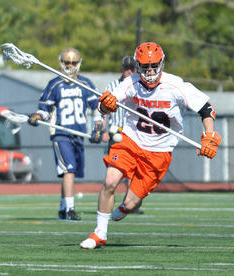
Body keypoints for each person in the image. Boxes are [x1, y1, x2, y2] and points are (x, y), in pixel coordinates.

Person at [80, 42, 222, 249]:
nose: (150, 72)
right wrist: (105, 105)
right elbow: (104, 106)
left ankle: (126, 208)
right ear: (138, 66)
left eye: (154, 66)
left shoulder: (175, 86)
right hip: (131, 140)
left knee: (130, 203)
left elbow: (206, 109)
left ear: (162, 64)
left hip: (159, 151)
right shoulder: (130, 82)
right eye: (145, 67)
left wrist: (209, 135)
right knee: (110, 181)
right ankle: (99, 233)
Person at [28, 47, 105, 221]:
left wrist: (99, 124)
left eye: (73, 63)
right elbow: (44, 110)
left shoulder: (85, 84)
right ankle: (70, 209)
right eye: (67, 63)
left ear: (79, 64)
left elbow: (98, 107)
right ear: (61, 63)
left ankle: (63, 209)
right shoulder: (55, 84)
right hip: (61, 132)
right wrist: (37, 116)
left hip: (78, 133)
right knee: (69, 170)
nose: (70, 66)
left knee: (70, 172)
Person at [102, 56, 144, 215]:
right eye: (126, 68)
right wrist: (103, 128)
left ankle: (130, 202)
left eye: (132, 68)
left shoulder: (140, 86)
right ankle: (108, 203)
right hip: (115, 132)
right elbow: (104, 108)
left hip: (133, 134)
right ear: (121, 68)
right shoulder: (112, 85)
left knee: (133, 170)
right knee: (113, 173)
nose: (129, 71)